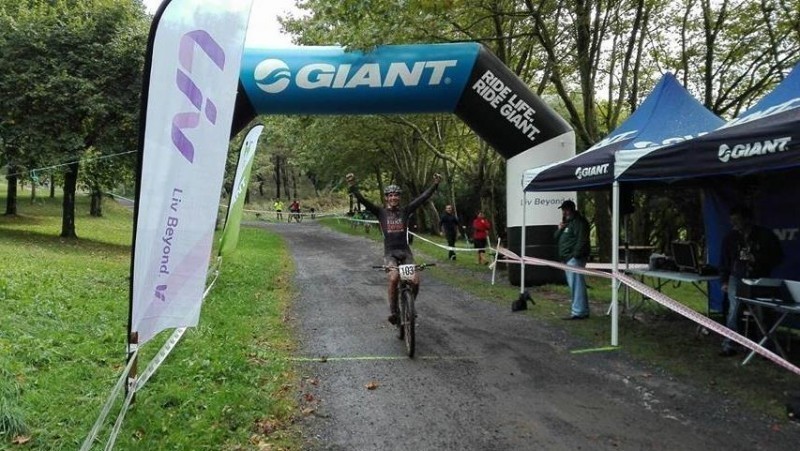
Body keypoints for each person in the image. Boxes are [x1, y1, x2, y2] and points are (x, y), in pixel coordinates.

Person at [347, 173, 441, 325]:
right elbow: (363, 200)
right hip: (390, 254)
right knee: (393, 278)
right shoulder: (380, 212)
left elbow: (422, 198)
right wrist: (352, 185)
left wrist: (435, 184)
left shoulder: (406, 210)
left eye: (396, 195)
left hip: (405, 253)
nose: (393, 198)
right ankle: (394, 312)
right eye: (390, 195)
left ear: (399, 198)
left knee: (415, 281)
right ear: (386, 198)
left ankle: (410, 306)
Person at [718, 205, 783, 357]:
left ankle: (764, 348)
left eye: (737, 221)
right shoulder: (730, 237)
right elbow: (724, 261)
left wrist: (758, 259)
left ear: (748, 219)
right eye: (732, 221)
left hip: (760, 279)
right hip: (737, 278)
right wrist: (724, 281)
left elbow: (778, 257)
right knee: (734, 311)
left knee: (763, 312)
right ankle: (730, 344)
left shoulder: (766, 235)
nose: (734, 224)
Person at [554, 200, 591, 320]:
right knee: (575, 285)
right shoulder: (568, 223)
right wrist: (560, 228)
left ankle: (578, 311)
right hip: (567, 259)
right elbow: (555, 237)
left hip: (574, 259)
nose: (564, 212)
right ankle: (581, 310)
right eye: (563, 210)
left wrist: (574, 255)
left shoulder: (579, 223)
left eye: (566, 209)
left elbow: (582, 240)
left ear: (571, 209)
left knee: (576, 285)